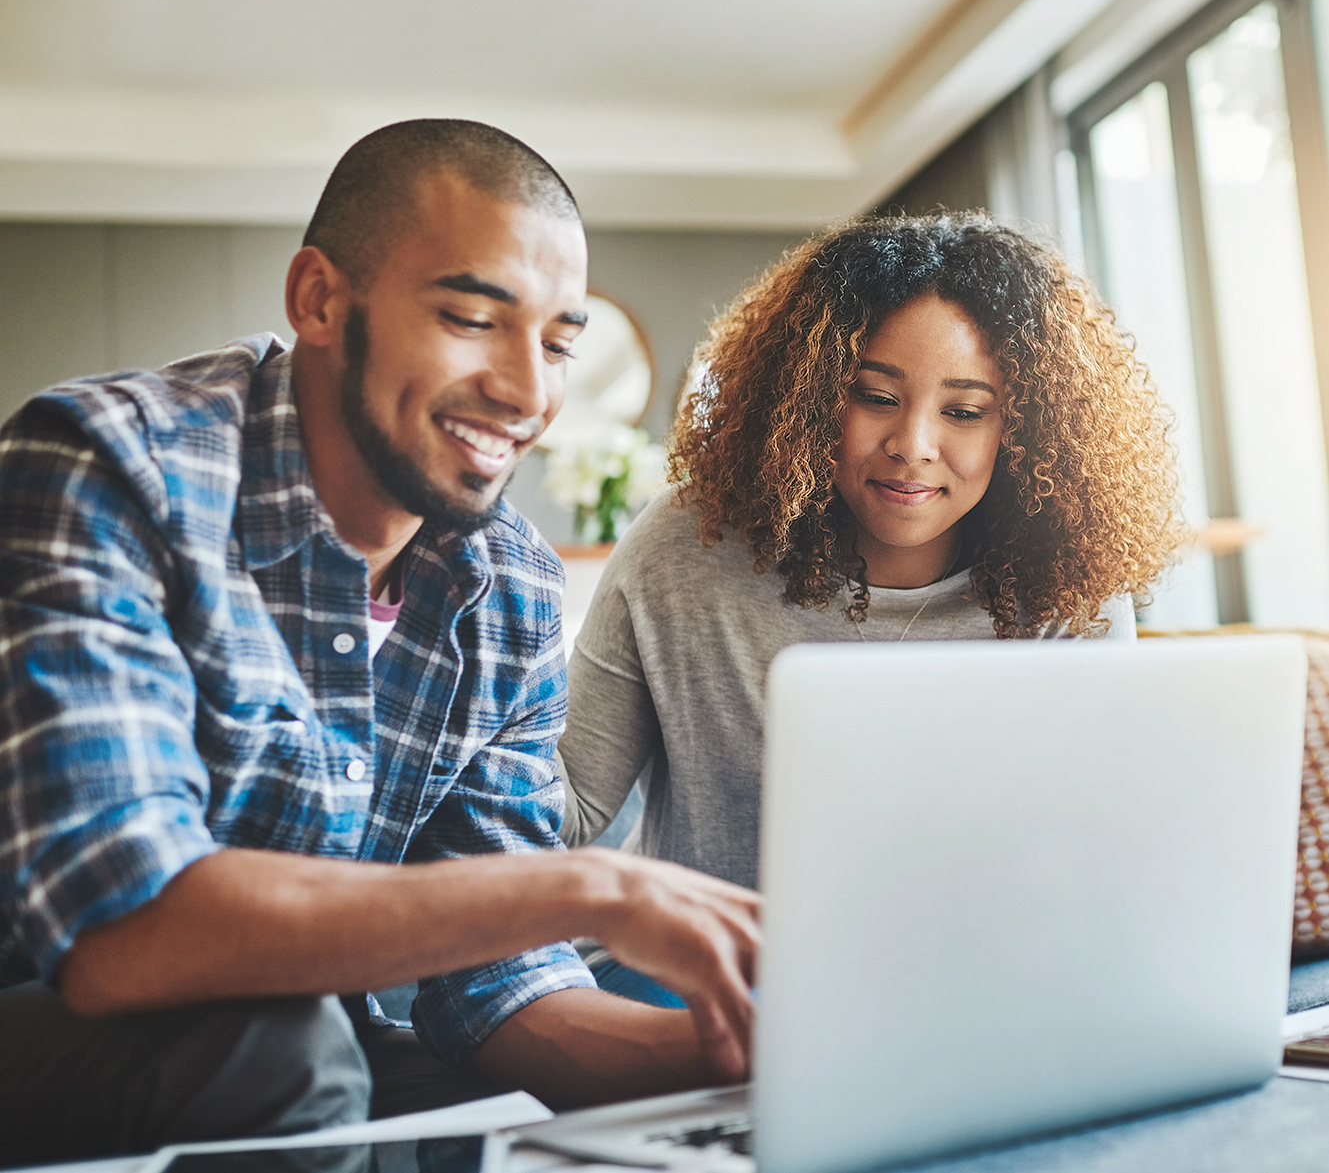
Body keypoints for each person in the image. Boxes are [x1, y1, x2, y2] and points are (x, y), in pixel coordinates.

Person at [0, 119, 760, 1164]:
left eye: (557, 342)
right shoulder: (110, 468)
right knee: (285, 1047)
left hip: (308, 1045)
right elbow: (118, 929)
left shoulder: (512, 589)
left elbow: (495, 990)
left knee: (452, 1070)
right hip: (50, 1015)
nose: (529, 392)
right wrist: (591, 886)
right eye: (471, 319)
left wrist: (761, 1057)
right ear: (319, 298)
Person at [557, 213, 1178, 1002]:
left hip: (967, 977)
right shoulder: (687, 546)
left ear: (1021, 430)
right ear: (812, 395)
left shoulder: (1065, 586)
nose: (913, 443)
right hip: (705, 979)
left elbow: (1093, 842)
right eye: (875, 396)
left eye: (963, 411)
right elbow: (567, 808)